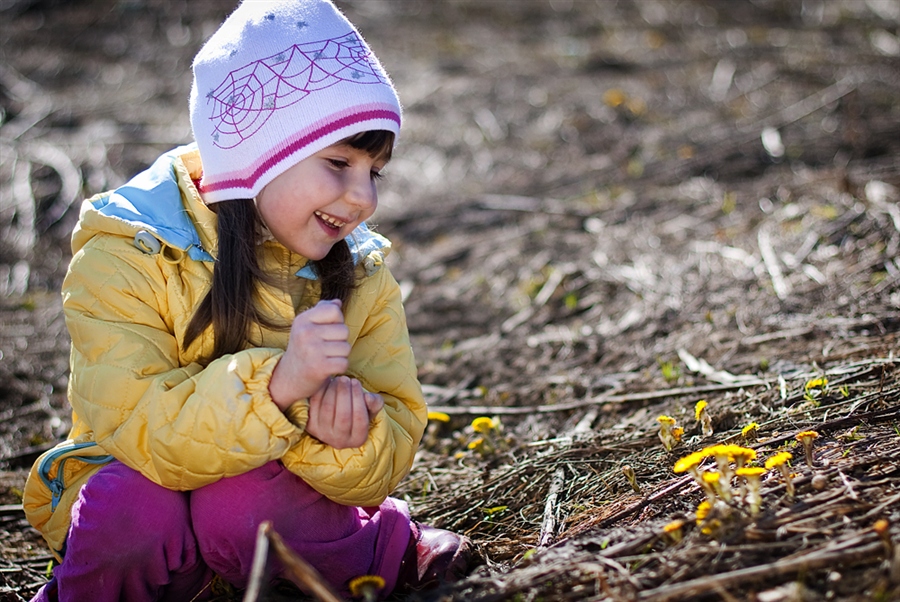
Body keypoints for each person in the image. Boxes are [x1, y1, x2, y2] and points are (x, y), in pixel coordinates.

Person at [22, 1, 471, 600]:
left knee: (241, 500)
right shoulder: (129, 253)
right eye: (339, 163)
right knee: (132, 506)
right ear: (258, 155)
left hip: (274, 507)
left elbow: (394, 435)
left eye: (375, 171)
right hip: (144, 494)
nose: (362, 197)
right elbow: (135, 423)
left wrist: (348, 433)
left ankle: (378, 554)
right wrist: (278, 389)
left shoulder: (358, 273)